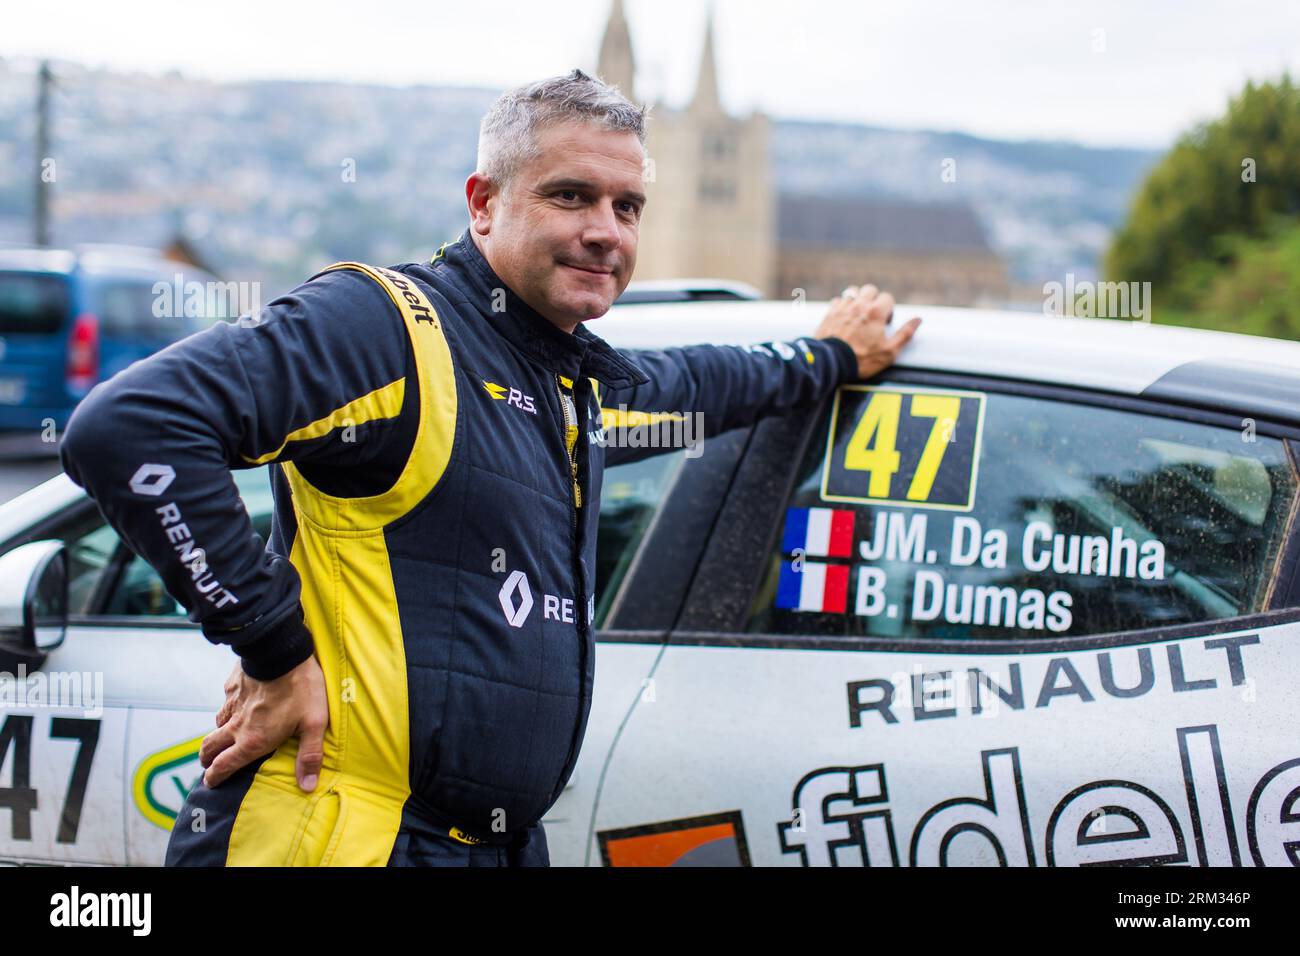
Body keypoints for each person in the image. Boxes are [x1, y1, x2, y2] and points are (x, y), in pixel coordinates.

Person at [58, 68, 920, 867]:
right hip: (340, 832)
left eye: (628, 207)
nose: (604, 231)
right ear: (482, 203)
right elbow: (130, 428)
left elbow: (699, 384)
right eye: (571, 196)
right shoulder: (389, 326)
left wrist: (826, 360)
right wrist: (274, 648)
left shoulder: (571, 381)